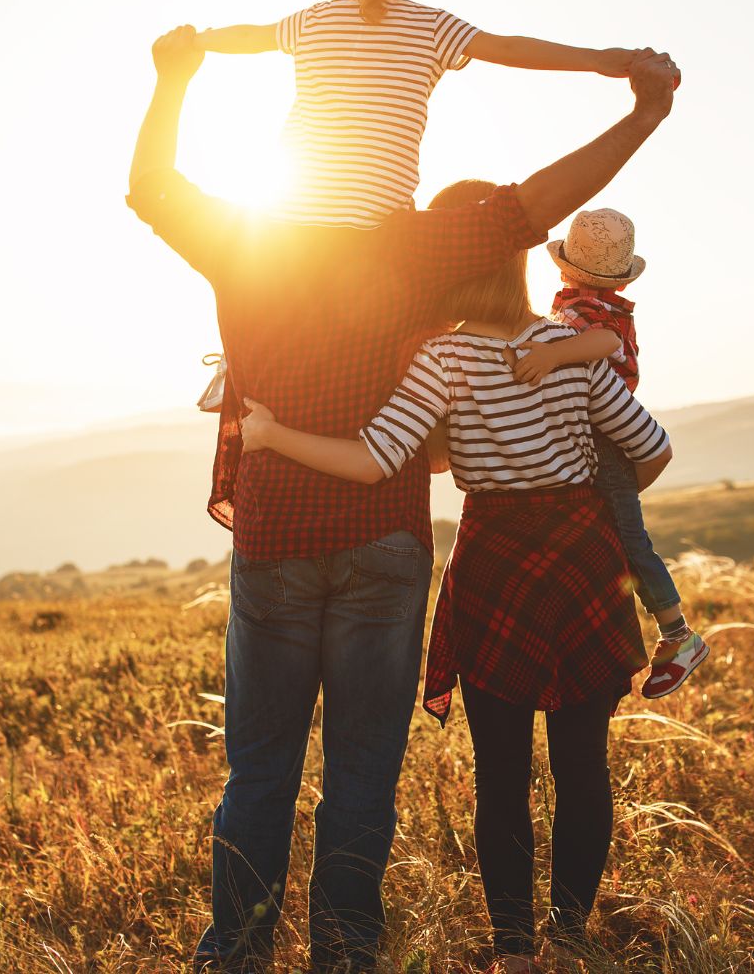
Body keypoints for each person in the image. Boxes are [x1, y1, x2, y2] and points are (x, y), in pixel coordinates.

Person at [126, 23, 679, 972]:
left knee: (260, 767)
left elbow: (151, 188)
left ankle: (238, 953)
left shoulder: (245, 239)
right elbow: (546, 200)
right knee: (362, 771)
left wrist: (174, 79)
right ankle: (346, 953)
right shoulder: (424, 246)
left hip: (275, 537)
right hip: (385, 544)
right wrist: (643, 110)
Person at [236, 211, 674, 968]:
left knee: (501, 772)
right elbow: (652, 449)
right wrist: (584, 503)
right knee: (582, 763)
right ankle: (567, 941)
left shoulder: (442, 357)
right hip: (582, 562)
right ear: (520, 267)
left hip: (495, 563)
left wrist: (272, 437)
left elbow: (377, 461)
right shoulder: (567, 347)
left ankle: (512, 950)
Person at [197, 0, 646, 228]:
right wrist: (596, 60)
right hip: (379, 224)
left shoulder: (310, 21)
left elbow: (247, 37)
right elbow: (509, 49)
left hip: (289, 218)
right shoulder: (432, 25)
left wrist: (196, 41)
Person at [502, 207, 709, 697]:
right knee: (606, 536)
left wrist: (551, 355)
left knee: (628, 539)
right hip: (595, 435)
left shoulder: (591, 314)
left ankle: (678, 633)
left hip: (605, 437)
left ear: (565, 265)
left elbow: (603, 342)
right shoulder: (587, 304)